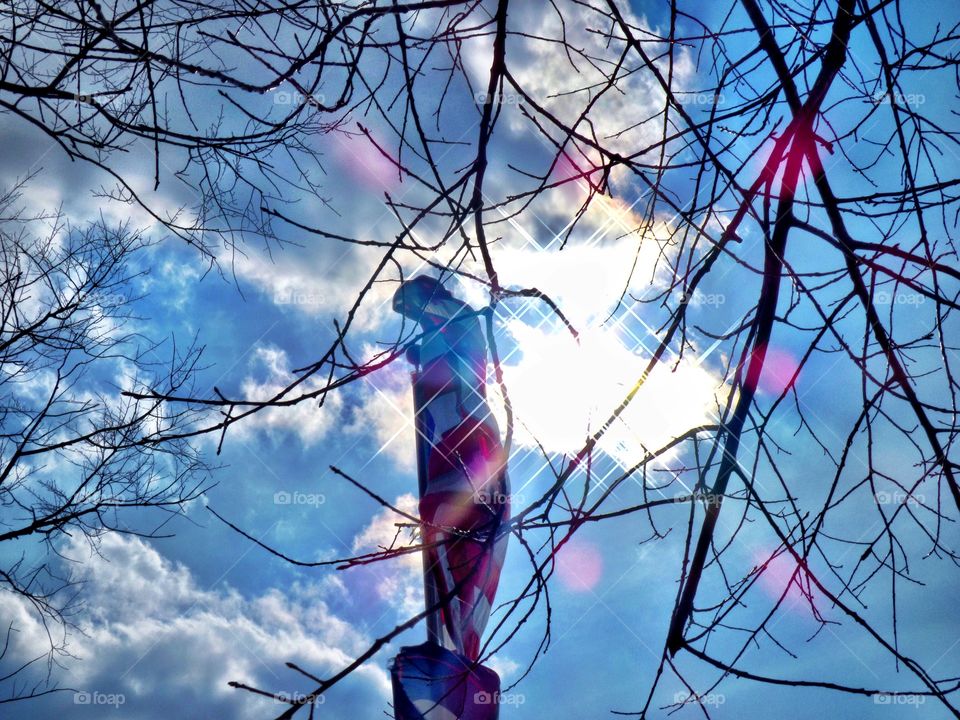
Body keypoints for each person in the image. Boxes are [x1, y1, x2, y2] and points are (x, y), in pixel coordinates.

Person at [392, 275, 510, 662]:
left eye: (412, 306)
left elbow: (453, 339)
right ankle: (454, 639)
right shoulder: (443, 326)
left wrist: (427, 352)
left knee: (444, 505)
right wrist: (423, 357)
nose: (412, 314)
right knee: (440, 504)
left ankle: (458, 643)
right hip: (444, 413)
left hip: (459, 418)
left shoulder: (459, 315)